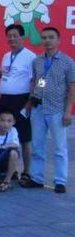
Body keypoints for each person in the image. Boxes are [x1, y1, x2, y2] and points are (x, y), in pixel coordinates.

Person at [23, 27, 75, 193]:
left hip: (57, 109)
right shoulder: (37, 61)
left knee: (60, 147)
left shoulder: (68, 62)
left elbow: (71, 88)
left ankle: (60, 181)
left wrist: (69, 111)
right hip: (39, 109)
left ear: (58, 40)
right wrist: (34, 96)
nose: (47, 41)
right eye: (44, 38)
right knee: (38, 145)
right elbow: (41, 81)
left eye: (51, 37)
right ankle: (37, 178)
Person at [0, 24, 36, 183]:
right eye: (9, 36)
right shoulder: (6, 56)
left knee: (24, 138)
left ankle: (26, 171)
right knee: (5, 136)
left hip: (22, 100)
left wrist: (31, 100)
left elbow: (40, 80)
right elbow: (4, 77)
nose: (12, 38)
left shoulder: (31, 56)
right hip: (5, 100)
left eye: (15, 35)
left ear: (22, 37)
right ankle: (10, 170)